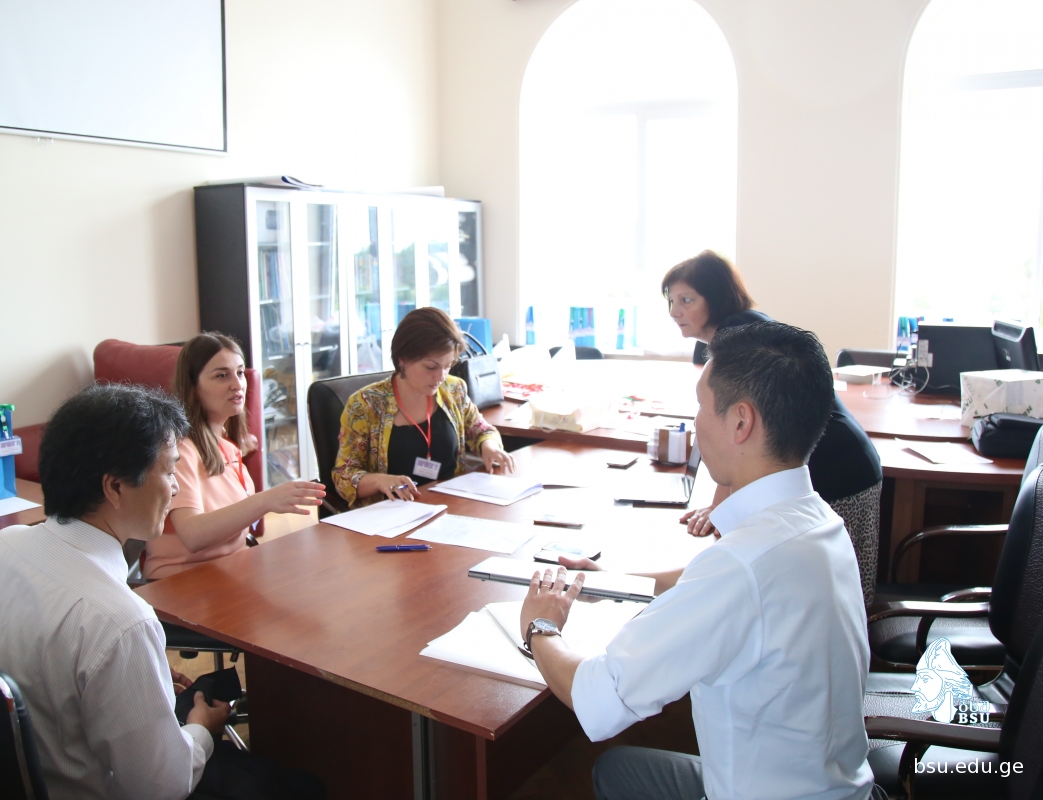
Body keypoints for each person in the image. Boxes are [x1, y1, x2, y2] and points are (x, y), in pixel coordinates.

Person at [520, 321, 877, 800]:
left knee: (612, 767)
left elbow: (597, 700)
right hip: (836, 785)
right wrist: (616, 580)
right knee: (620, 770)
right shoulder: (820, 523)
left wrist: (540, 627)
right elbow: (721, 589)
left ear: (741, 422)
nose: (695, 423)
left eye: (701, 406)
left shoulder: (740, 566)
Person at [0, 384, 323, 800]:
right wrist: (203, 728)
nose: (176, 488)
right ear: (115, 488)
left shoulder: (2, 546)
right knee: (303, 788)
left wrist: (143, 676)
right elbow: (162, 787)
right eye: (169, 471)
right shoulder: (121, 621)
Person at [663, 250, 883, 604]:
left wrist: (719, 510)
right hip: (836, 457)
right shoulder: (733, 332)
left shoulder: (738, 336)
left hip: (838, 465)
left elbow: (736, 434)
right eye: (672, 301)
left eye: (687, 300)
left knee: (831, 593)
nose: (675, 311)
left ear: (716, 298)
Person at [144, 332, 325, 580]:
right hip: (184, 580)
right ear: (192, 387)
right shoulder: (180, 450)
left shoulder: (226, 445)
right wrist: (264, 501)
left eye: (240, 373)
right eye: (222, 375)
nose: (238, 384)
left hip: (232, 571)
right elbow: (193, 536)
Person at [333, 307, 516, 505]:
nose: (441, 377)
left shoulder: (453, 390)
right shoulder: (365, 405)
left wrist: (489, 446)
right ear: (403, 359)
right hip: (392, 514)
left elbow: (481, 430)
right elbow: (344, 475)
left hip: (451, 506)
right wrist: (380, 481)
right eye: (431, 367)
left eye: (448, 366)